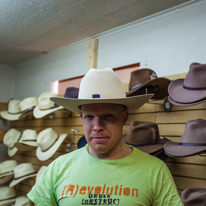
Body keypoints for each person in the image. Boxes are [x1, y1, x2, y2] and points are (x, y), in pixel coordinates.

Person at [27, 68, 183, 206]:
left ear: (124, 117)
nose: (97, 127)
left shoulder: (155, 170)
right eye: (89, 117)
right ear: (81, 117)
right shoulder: (58, 168)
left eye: (108, 116)